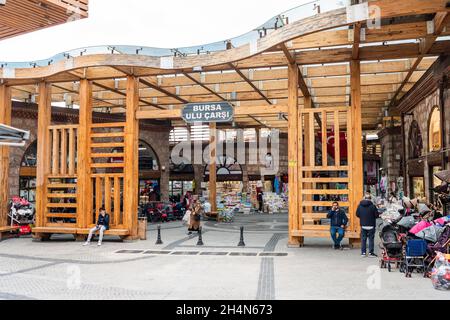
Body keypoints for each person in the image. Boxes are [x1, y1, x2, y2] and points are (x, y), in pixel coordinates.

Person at [356, 193, 379, 257]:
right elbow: (377, 215)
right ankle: (370, 253)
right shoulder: (373, 206)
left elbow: (357, 214)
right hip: (371, 225)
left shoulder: (359, 206)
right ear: (370, 199)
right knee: (371, 239)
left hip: (363, 225)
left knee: (363, 239)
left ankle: (363, 253)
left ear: (364, 198)